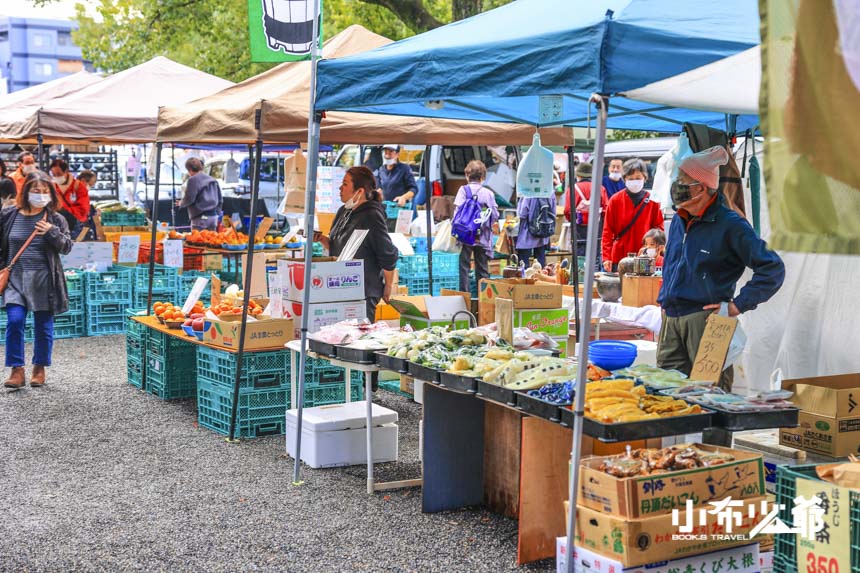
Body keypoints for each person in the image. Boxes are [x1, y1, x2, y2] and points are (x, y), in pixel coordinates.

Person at [657, 147, 785, 391]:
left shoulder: (731, 224)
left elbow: (772, 268)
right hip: (671, 317)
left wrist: (738, 305)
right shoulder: (678, 219)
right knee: (666, 394)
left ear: (701, 187)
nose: (676, 186)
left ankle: (716, 431)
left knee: (712, 395)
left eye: (683, 181)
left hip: (708, 321)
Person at [1, 171, 73, 389]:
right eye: (36, 191)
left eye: (45, 192)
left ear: (51, 194)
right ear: (26, 192)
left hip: (45, 280)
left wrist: (52, 231)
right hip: (15, 278)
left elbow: (67, 247)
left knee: (43, 325)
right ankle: (16, 369)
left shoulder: (55, 219)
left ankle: (39, 368)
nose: (40, 195)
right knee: (14, 321)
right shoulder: (8, 215)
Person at [315, 166, 399, 322]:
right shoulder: (344, 211)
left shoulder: (372, 215)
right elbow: (336, 247)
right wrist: (322, 240)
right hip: (341, 287)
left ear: (359, 191)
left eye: (345, 184)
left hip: (363, 292)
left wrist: (388, 286)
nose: (340, 188)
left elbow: (387, 253)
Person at [601, 158, 664, 272]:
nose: (635, 181)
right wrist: (606, 258)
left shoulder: (653, 201)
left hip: (645, 258)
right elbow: (607, 231)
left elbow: (659, 229)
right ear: (624, 179)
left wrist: (653, 249)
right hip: (619, 257)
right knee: (620, 289)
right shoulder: (615, 200)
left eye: (638, 178)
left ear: (645, 178)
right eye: (630, 179)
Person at [453, 160, 499, 293]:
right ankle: (483, 298)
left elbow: (457, 213)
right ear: (483, 177)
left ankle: (464, 296)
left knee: (464, 267)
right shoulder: (488, 193)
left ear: (467, 175)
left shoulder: (463, 190)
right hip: (482, 236)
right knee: (482, 268)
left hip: (465, 235)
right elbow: (494, 215)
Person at [564, 162, 608, 260]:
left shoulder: (572, 189)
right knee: (595, 257)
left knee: (579, 258)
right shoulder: (600, 189)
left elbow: (567, 211)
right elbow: (606, 210)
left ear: (578, 175)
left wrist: (573, 220)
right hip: (596, 228)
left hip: (578, 229)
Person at [177, 157, 222, 231]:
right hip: (213, 218)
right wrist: (217, 213)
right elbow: (220, 199)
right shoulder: (213, 180)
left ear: (190, 170)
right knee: (212, 240)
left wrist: (181, 203)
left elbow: (190, 198)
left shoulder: (193, 179)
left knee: (197, 241)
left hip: (200, 218)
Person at [49, 158, 90, 237]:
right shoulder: (52, 187)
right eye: (54, 175)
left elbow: (84, 209)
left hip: (76, 225)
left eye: (59, 174)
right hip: (58, 225)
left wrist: (65, 211)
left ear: (66, 171)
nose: (56, 177)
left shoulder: (78, 186)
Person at [516, 193, 556, 268]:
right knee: (540, 263)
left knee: (524, 263)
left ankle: (525, 278)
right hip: (543, 232)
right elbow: (553, 213)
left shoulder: (528, 192)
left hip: (527, 233)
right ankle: (540, 278)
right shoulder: (550, 192)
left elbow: (522, 213)